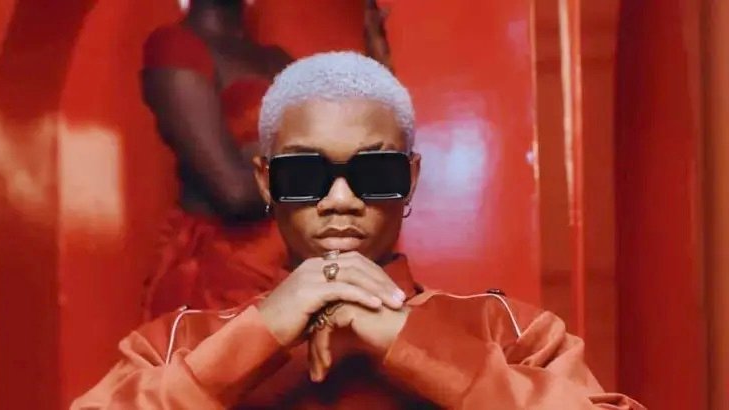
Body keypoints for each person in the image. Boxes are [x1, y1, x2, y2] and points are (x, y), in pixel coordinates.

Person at [74, 52, 644, 409]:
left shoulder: (507, 331)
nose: (340, 201)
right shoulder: (179, 342)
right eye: (305, 175)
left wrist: (408, 342)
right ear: (267, 182)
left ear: (410, 179)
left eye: (374, 173)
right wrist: (263, 333)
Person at [140, 0, 292, 318]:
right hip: (225, 274)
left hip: (294, 263)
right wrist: (318, 172)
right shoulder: (177, 46)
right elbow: (233, 192)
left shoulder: (278, 58)